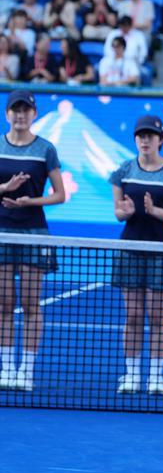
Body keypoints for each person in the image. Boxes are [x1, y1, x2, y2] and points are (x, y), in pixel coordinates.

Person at [110, 115, 163, 395]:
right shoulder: (123, 171)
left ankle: (156, 377)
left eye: (150, 135)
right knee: (132, 315)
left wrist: (154, 211)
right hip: (131, 250)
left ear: (160, 139)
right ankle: (131, 375)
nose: (145, 140)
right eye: (140, 135)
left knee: (157, 316)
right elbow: (118, 212)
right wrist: (126, 212)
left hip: (162, 251)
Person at [0, 90, 66, 392]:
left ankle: (25, 370)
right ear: (7, 114)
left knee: (30, 304)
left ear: (34, 114)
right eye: (15, 109)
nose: (20, 114)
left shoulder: (46, 149)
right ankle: (6, 368)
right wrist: (5, 188)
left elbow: (59, 194)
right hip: (2, 233)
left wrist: (29, 201)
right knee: (3, 304)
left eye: (26, 109)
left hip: (34, 233)